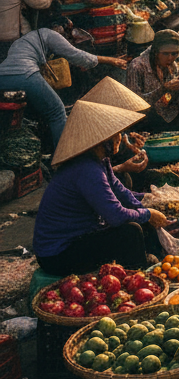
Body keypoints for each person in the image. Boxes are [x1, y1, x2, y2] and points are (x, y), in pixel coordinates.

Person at [33, 101, 170, 275]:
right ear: (101, 140)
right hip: (58, 254)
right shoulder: (87, 169)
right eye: (116, 134)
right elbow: (116, 216)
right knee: (131, 231)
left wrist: (149, 201)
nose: (120, 138)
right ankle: (139, 276)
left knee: (140, 218)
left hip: (81, 237)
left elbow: (121, 192)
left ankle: (150, 259)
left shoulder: (100, 161)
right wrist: (148, 214)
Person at [0, 13, 126, 149]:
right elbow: (76, 55)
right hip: (25, 75)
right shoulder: (49, 34)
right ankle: (63, 157)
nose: (66, 34)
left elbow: (33, 60)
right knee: (57, 111)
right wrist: (110, 60)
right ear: (56, 27)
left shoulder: (24, 40)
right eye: (65, 29)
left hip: (3, 77)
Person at [81, 77, 152, 189]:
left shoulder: (112, 130)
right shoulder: (89, 137)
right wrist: (122, 168)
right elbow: (92, 176)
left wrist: (129, 139)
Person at [125, 28, 179, 132]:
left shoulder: (172, 66)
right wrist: (164, 89)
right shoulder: (137, 67)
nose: (170, 58)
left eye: (174, 54)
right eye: (165, 54)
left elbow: (168, 99)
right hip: (144, 120)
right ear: (155, 52)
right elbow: (135, 104)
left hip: (165, 114)